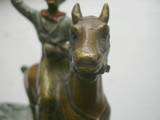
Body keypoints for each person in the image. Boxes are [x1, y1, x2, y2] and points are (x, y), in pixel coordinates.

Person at [11, 0, 71, 120]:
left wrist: (66, 47)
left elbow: (75, 39)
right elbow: (19, 4)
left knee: (74, 94)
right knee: (46, 96)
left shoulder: (67, 21)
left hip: (64, 62)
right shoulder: (37, 16)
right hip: (48, 63)